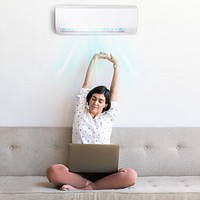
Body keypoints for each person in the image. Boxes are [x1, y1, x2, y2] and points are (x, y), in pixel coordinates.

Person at [46, 52, 137, 190]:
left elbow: (114, 92)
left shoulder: (109, 117)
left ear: (106, 104)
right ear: (88, 99)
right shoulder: (80, 112)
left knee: (131, 175)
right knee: (53, 171)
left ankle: (85, 188)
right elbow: (86, 84)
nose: (96, 102)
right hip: (78, 173)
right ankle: (89, 186)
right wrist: (94, 59)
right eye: (93, 98)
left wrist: (116, 65)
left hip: (104, 174)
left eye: (100, 101)